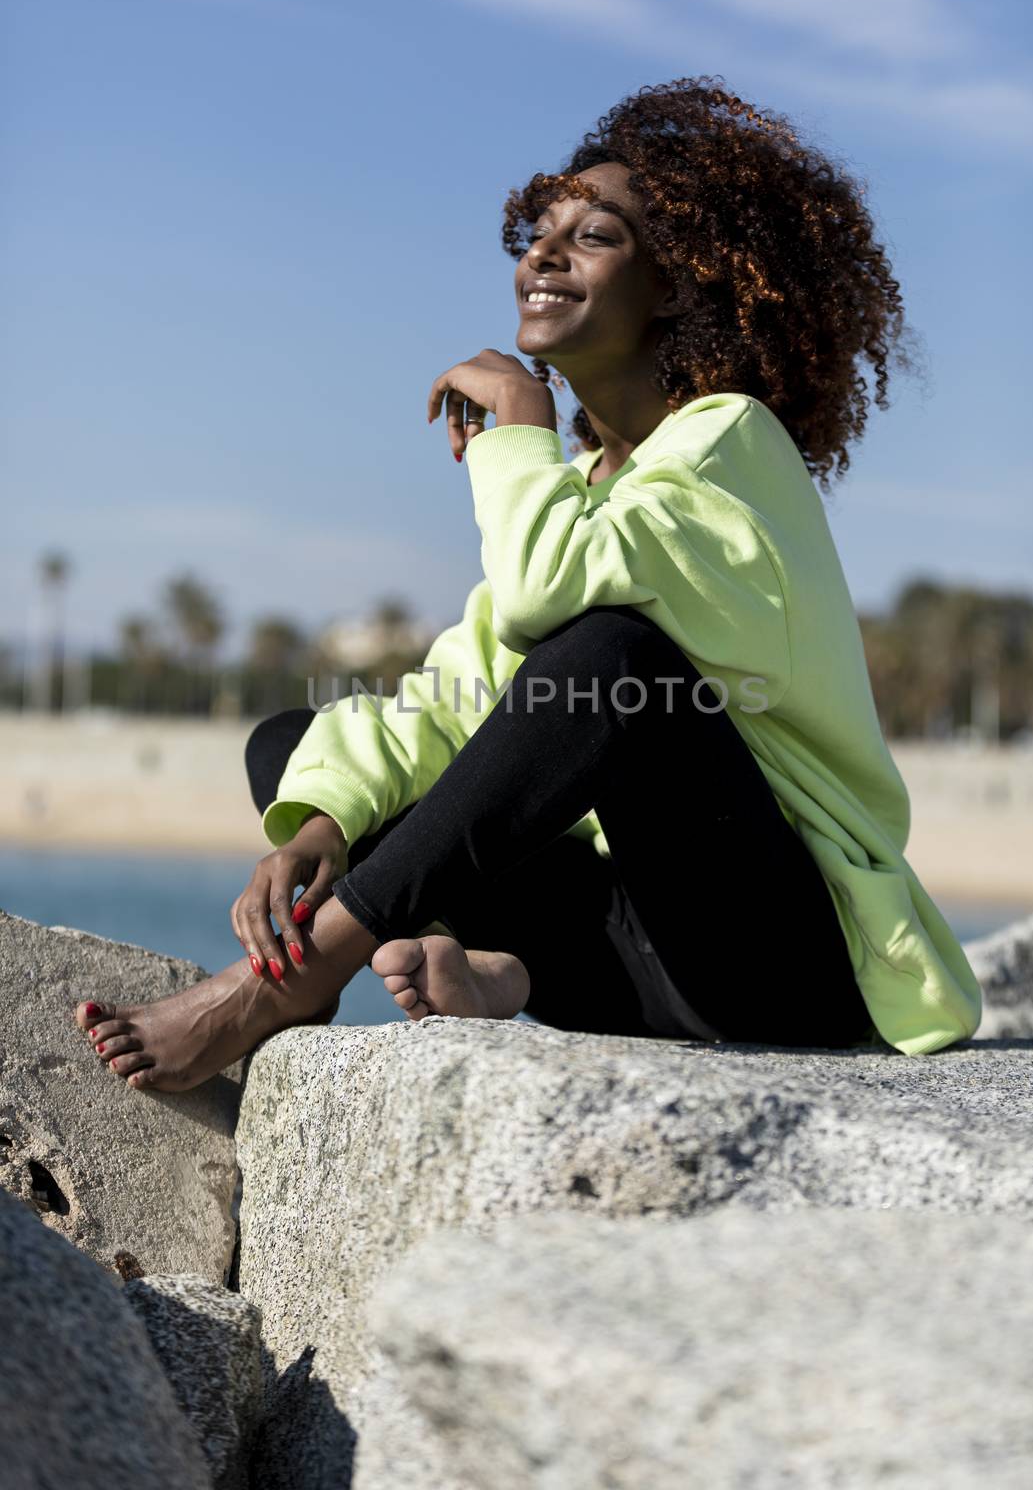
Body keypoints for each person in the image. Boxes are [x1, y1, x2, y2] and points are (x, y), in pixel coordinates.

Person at [73, 74, 982, 1092]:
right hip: (628, 973)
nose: (542, 254)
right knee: (295, 749)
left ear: (679, 285)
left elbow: (549, 602)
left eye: (592, 235)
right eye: (537, 230)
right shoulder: (588, 487)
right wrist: (324, 824)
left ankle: (288, 978)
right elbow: (448, 703)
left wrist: (519, 424)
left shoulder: (731, 442)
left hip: (779, 967)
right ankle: (489, 965)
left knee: (609, 664)